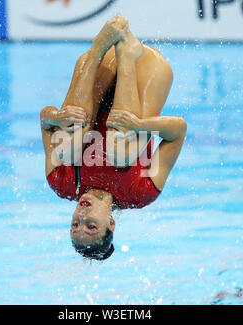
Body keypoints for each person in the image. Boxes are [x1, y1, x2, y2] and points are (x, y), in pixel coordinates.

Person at [40, 15, 187, 260]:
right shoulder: (139, 193)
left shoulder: (62, 183)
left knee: (67, 147)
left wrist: (57, 117)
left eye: (74, 226)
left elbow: (44, 122)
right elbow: (178, 131)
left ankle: (99, 45)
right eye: (91, 226)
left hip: (99, 65)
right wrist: (139, 125)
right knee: (121, 152)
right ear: (111, 223)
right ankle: (127, 53)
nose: (81, 218)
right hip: (145, 70)